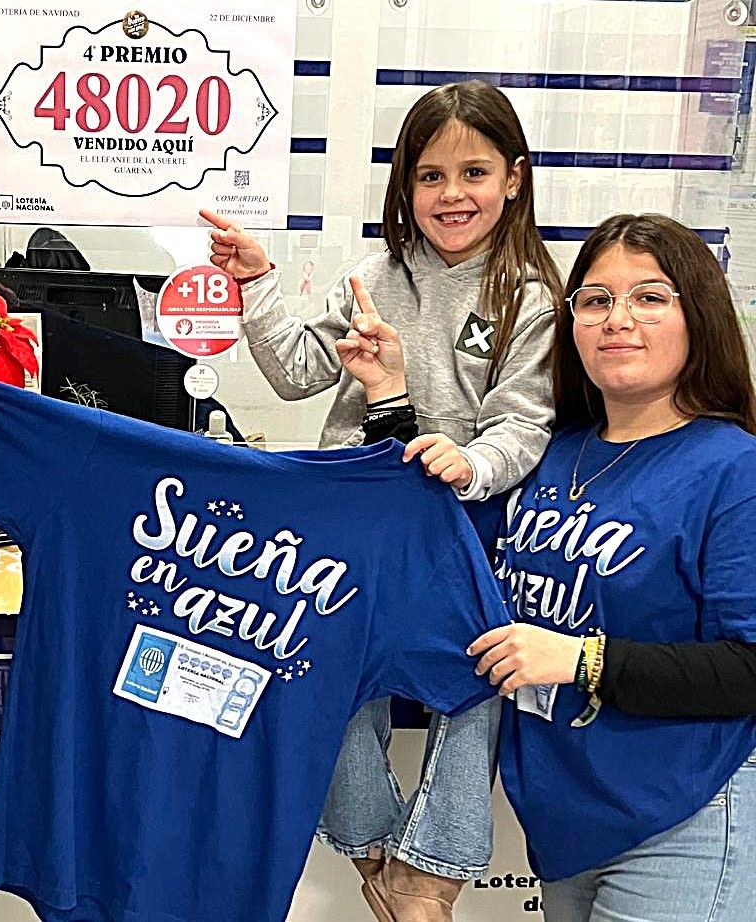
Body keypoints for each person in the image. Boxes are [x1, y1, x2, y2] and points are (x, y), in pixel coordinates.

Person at [200, 79, 563, 921]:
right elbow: (295, 371)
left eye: (474, 173)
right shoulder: (376, 275)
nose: (452, 195)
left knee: (477, 683)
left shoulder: (531, 298)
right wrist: (256, 284)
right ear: (405, 186)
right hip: (358, 532)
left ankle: (425, 881)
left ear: (514, 178)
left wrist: (468, 464)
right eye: (430, 176)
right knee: (322, 671)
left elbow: (524, 425)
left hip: (466, 529)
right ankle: (376, 861)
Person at [465, 213, 756, 921]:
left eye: (650, 298)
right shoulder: (547, 451)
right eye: (594, 301)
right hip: (565, 824)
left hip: (683, 814)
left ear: (700, 318)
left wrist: (583, 660)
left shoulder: (733, 468)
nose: (616, 319)